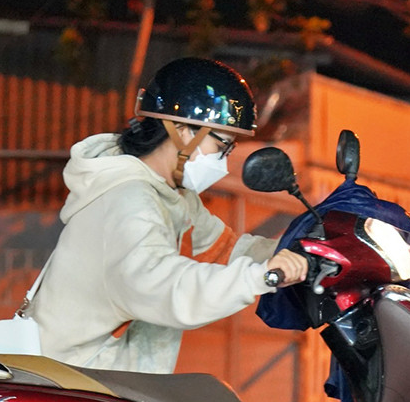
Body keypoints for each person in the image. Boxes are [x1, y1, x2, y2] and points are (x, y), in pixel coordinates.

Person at [29, 57, 308, 373]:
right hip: (72, 383)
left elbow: (227, 250)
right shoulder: (129, 201)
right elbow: (164, 286)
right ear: (183, 131)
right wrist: (261, 276)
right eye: (222, 146)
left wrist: (302, 250)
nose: (224, 161)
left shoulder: (173, 196)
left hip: (111, 380)